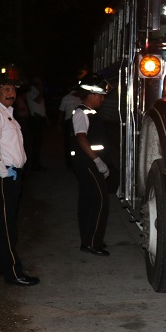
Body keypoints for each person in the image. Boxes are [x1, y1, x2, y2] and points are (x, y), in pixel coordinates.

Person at [0, 64, 40, 286]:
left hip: (12, 174)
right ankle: (14, 272)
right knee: (7, 226)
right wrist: (3, 171)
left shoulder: (7, 114)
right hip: (6, 176)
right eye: (6, 88)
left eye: (14, 88)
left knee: (1, 221)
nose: (12, 93)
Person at [70, 73, 112, 256]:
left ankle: (90, 240)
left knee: (88, 202)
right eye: (100, 95)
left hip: (89, 162)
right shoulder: (81, 113)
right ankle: (92, 243)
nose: (102, 99)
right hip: (87, 163)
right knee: (100, 200)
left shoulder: (90, 113)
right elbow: (81, 138)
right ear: (92, 95)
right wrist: (97, 160)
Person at [26, 74, 49, 171]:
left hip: (40, 118)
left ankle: (36, 164)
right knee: (35, 143)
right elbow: (38, 100)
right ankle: (34, 165)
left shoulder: (36, 90)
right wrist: (41, 89)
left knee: (38, 143)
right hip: (35, 118)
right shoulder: (31, 90)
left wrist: (46, 118)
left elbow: (41, 106)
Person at [58, 86, 82, 170]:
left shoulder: (66, 97)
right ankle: (74, 162)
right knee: (76, 141)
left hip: (69, 122)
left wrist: (59, 123)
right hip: (76, 122)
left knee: (69, 143)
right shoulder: (80, 97)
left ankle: (70, 163)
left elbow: (61, 111)